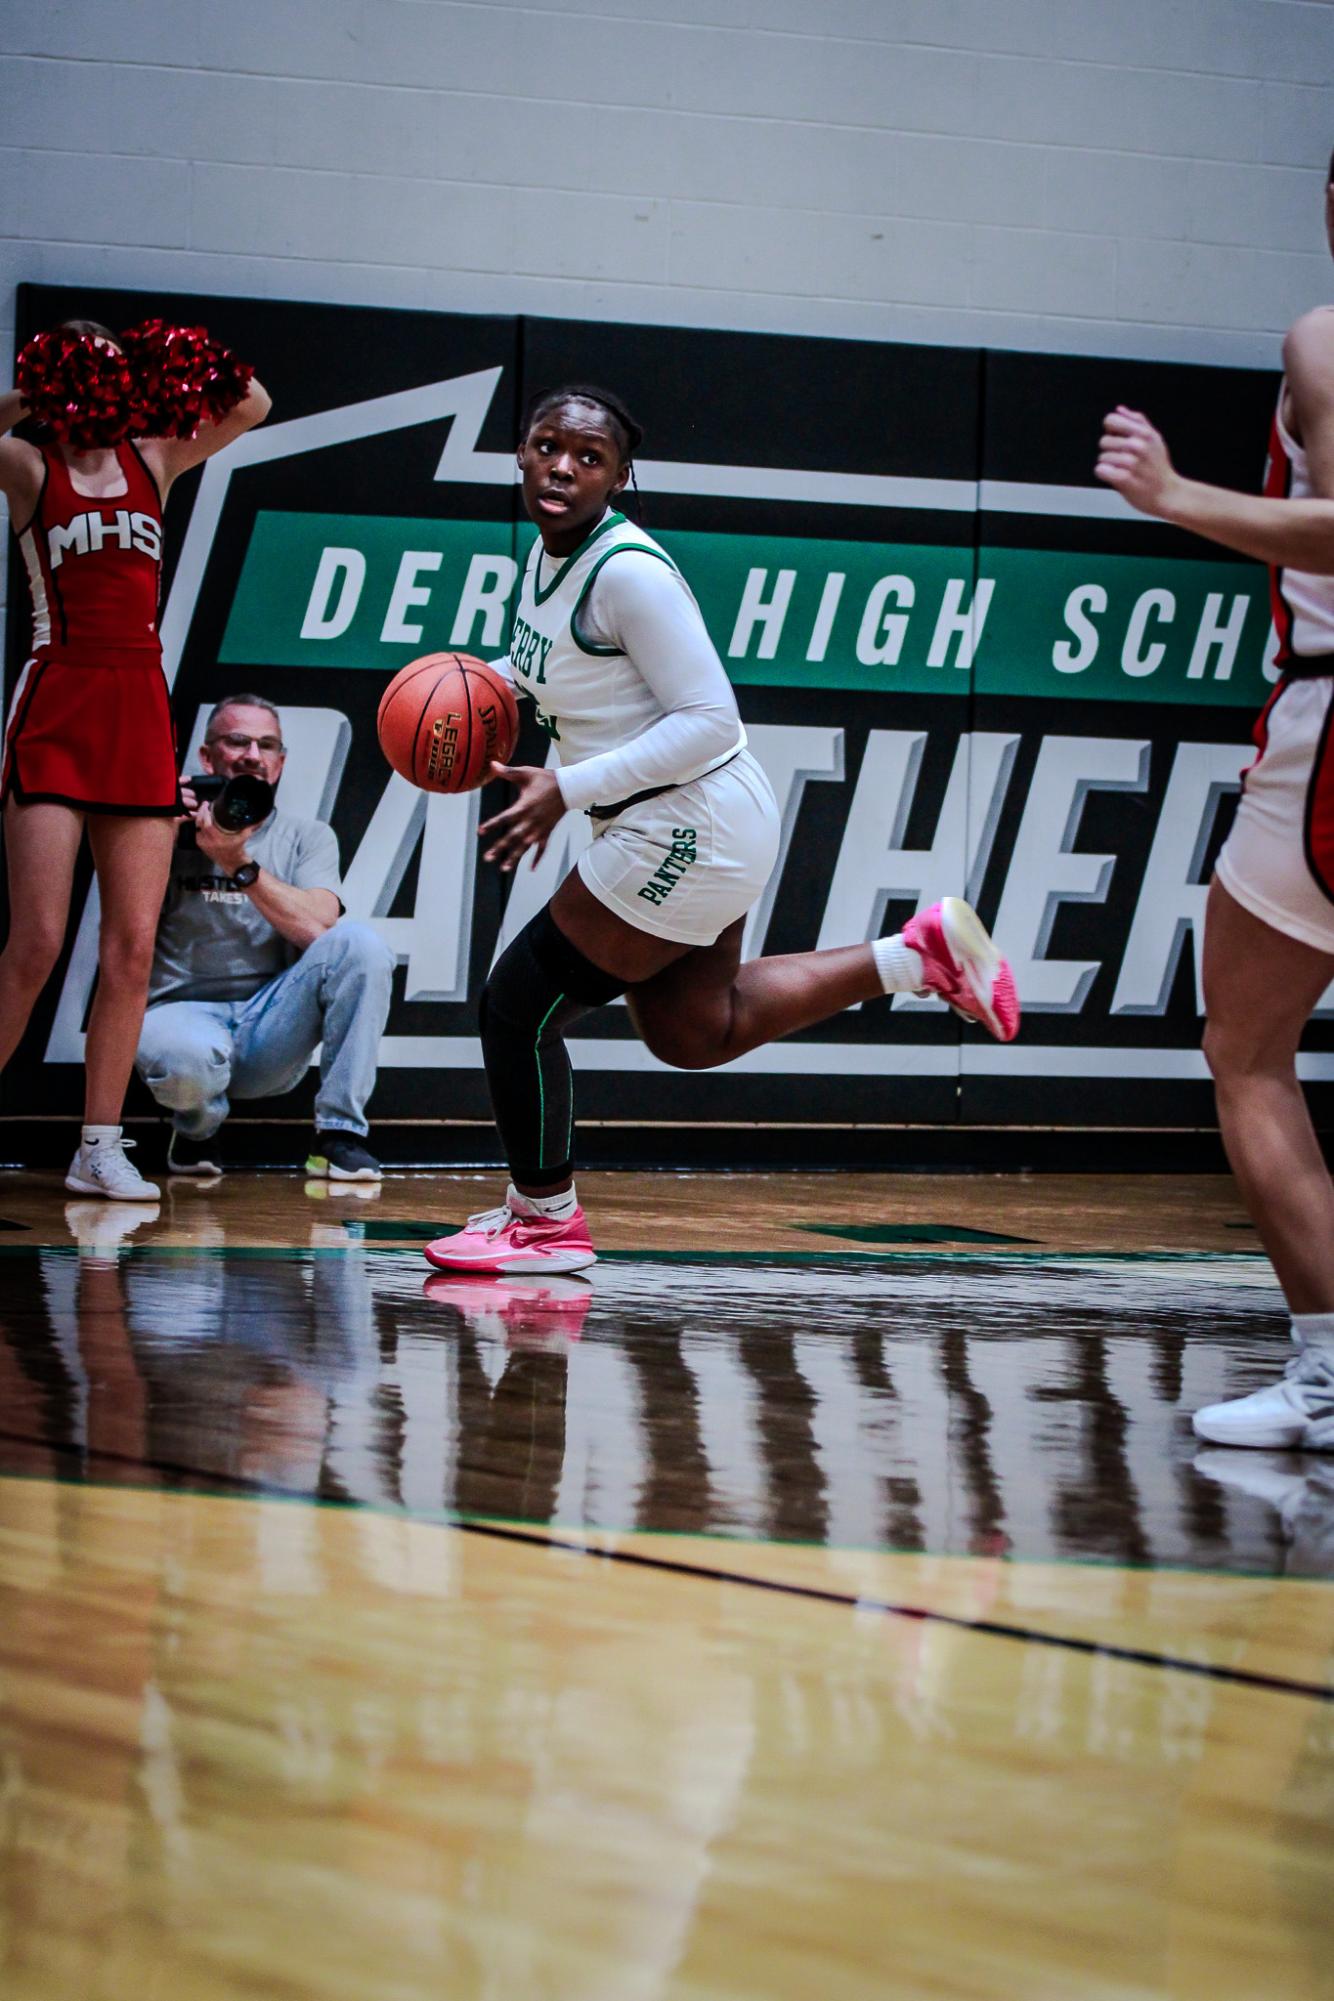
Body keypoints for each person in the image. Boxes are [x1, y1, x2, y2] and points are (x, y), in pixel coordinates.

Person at [424, 384, 1019, 1278]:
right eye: (549, 445)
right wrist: (472, 679)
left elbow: (709, 718)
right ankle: (918, 955)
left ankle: (544, 1222)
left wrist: (566, 785)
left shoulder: (627, 571)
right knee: (694, 1029)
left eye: (590, 458)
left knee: (517, 1008)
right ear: (520, 452)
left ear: (622, 477)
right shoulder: (551, 559)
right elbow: (556, 667)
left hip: (684, 822)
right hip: (699, 822)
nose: (563, 467)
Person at [1095, 151, 1334, 1452]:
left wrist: (1176, 495)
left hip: (1330, 721)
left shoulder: (1324, 335)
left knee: (1245, 1050)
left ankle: (1326, 1375)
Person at [0, 319, 271, 1201]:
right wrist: (38, 396)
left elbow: (256, 404)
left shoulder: (154, 460)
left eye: (102, 373)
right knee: (36, 942)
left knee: (131, 947)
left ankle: (99, 1145)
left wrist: (178, 365)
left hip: (138, 713)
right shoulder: (29, 468)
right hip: (56, 706)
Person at [135, 694, 394, 1182]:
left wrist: (238, 864)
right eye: (237, 741)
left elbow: (320, 929)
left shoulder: (306, 836)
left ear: (279, 764)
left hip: (269, 1024)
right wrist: (159, 829)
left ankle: (338, 1137)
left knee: (362, 945)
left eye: (266, 745)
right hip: (177, 1014)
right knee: (188, 1058)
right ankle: (194, 1130)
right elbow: (121, 913)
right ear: (207, 757)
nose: (253, 754)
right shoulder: (163, 823)